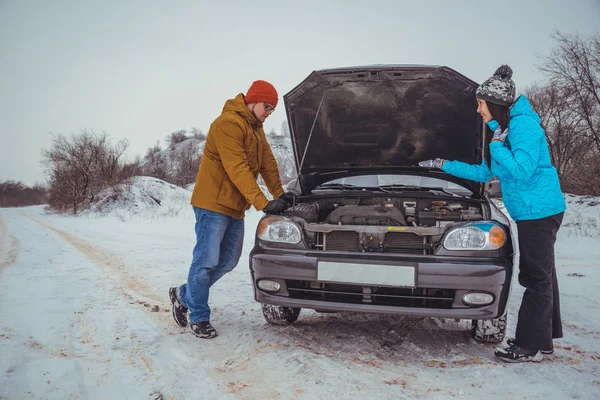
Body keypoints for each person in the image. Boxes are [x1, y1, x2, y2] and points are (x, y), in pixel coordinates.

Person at [419, 65, 567, 363]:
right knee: (544, 276)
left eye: (480, 103)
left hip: (538, 211)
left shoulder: (523, 125)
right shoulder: (503, 128)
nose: (478, 110)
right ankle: (543, 342)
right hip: (532, 210)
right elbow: (486, 171)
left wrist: (498, 145)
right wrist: (444, 164)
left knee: (535, 278)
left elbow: (522, 171)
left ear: (495, 103)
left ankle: (530, 347)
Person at [169, 80, 293, 339]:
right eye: (266, 107)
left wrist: (280, 195)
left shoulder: (256, 128)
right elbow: (237, 168)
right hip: (212, 205)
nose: (269, 112)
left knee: (227, 262)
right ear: (253, 100)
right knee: (205, 263)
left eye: (272, 109)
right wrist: (264, 203)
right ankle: (199, 316)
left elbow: (268, 164)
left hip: (235, 207)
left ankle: (183, 294)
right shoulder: (227, 124)